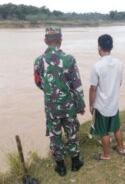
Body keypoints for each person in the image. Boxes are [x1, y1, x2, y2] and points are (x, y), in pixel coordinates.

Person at [34, 26, 85, 176]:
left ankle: (61, 167)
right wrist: (80, 104)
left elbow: (37, 82)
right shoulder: (69, 59)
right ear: (60, 41)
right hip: (69, 105)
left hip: (51, 107)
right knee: (72, 132)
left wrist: (50, 91)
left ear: (45, 41)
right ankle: (76, 162)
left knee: (55, 135)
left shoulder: (38, 61)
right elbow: (77, 84)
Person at [89, 34, 125, 160]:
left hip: (102, 105)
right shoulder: (119, 63)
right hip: (114, 103)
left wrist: (91, 104)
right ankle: (121, 148)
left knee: (103, 131)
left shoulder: (97, 66)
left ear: (99, 48)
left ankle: (106, 154)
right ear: (111, 47)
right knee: (116, 127)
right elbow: (120, 83)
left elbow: (93, 88)